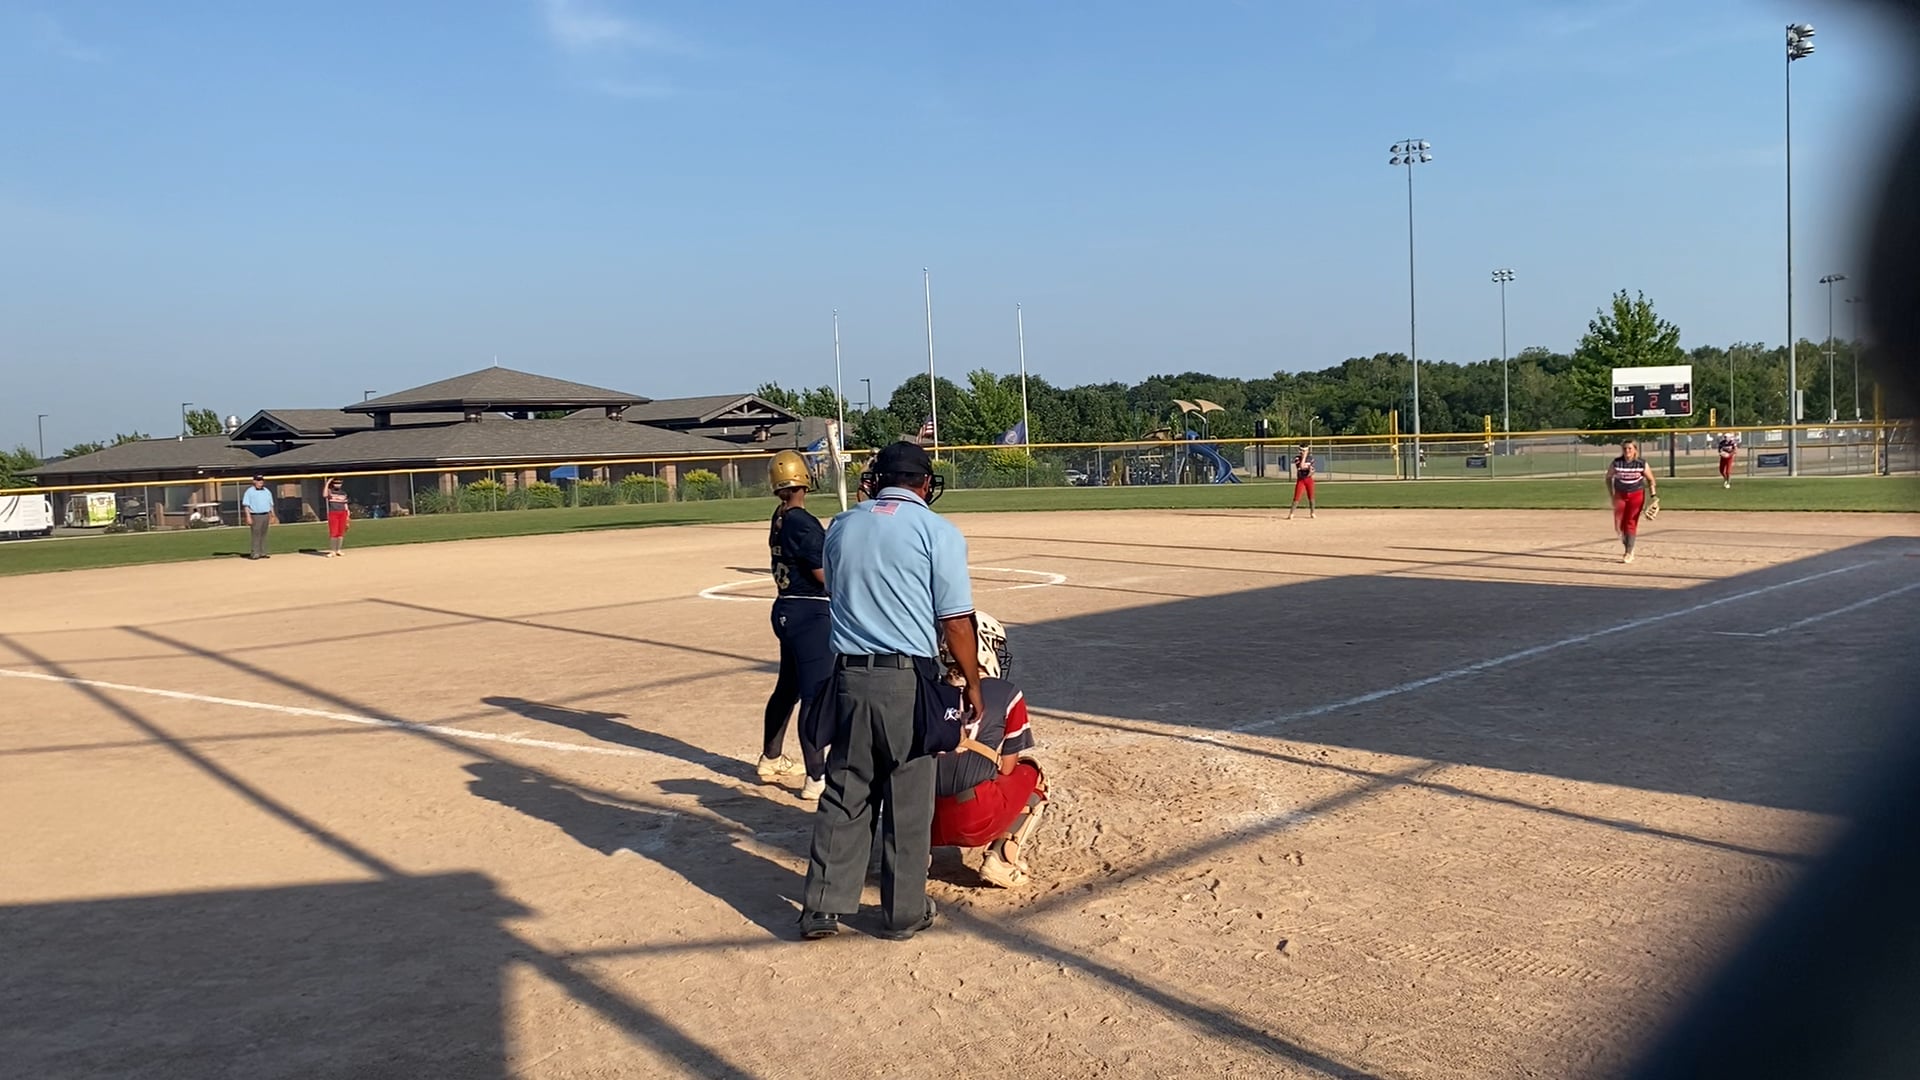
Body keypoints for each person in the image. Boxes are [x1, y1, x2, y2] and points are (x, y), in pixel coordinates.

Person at [800, 441, 981, 943]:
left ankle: (822, 906)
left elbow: (837, 590)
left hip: (848, 676)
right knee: (908, 794)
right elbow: (956, 622)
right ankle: (902, 913)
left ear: (877, 480)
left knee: (846, 789)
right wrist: (972, 684)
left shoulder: (841, 525)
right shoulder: (936, 531)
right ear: (924, 483)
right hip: (906, 678)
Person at [928, 615, 1046, 888]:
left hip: (924, 818)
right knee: (1033, 775)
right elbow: (1008, 767)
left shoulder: (929, 689)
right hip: (975, 819)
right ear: (982, 645)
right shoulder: (1007, 692)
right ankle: (1002, 859)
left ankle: (913, 858)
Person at [757, 450, 833, 801]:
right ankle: (817, 777)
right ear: (804, 478)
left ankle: (771, 758)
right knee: (815, 695)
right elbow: (823, 576)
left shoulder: (780, 516)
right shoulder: (803, 521)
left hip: (786, 608)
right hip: (810, 613)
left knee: (788, 688)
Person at [1605, 440, 1657, 564]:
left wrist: (1653, 496)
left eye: (1630, 448)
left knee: (1630, 522)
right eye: (1625, 448)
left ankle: (1628, 551)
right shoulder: (1617, 463)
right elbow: (1608, 478)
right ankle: (1628, 544)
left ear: (1635, 450)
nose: (1627, 451)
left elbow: (1651, 480)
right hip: (1620, 495)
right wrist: (1612, 494)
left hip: (1636, 495)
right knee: (1619, 525)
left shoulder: (1641, 463)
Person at [241, 475, 275, 560]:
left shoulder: (267, 491)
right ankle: (255, 553)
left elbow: (270, 504)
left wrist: (273, 515)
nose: (261, 482)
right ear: (254, 481)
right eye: (258, 480)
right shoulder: (249, 491)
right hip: (255, 515)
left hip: (265, 514)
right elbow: (246, 505)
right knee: (256, 534)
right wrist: (248, 517)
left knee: (264, 534)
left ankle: (263, 552)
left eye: (261, 480)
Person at [1287, 444, 1317, 520]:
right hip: (1301, 480)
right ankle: (1291, 513)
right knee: (1297, 496)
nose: (1303, 452)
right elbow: (1301, 466)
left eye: (1304, 451)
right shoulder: (1297, 458)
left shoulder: (1311, 458)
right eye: (1302, 451)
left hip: (1309, 479)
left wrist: (1311, 472)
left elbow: (1312, 470)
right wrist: (1304, 457)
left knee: (1311, 496)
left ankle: (1312, 513)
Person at [323, 478, 350, 557]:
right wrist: (328, 482)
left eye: (339, 483)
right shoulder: (330, 491)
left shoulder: (343, 493)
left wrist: (348, 515)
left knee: (341, 533)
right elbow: (324, 495)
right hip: (333, 513)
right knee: (333, 533)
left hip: (343, 513)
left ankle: (338, 550)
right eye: (336, 483)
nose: (337, 485)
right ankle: (332, 551)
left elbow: (345, 504)